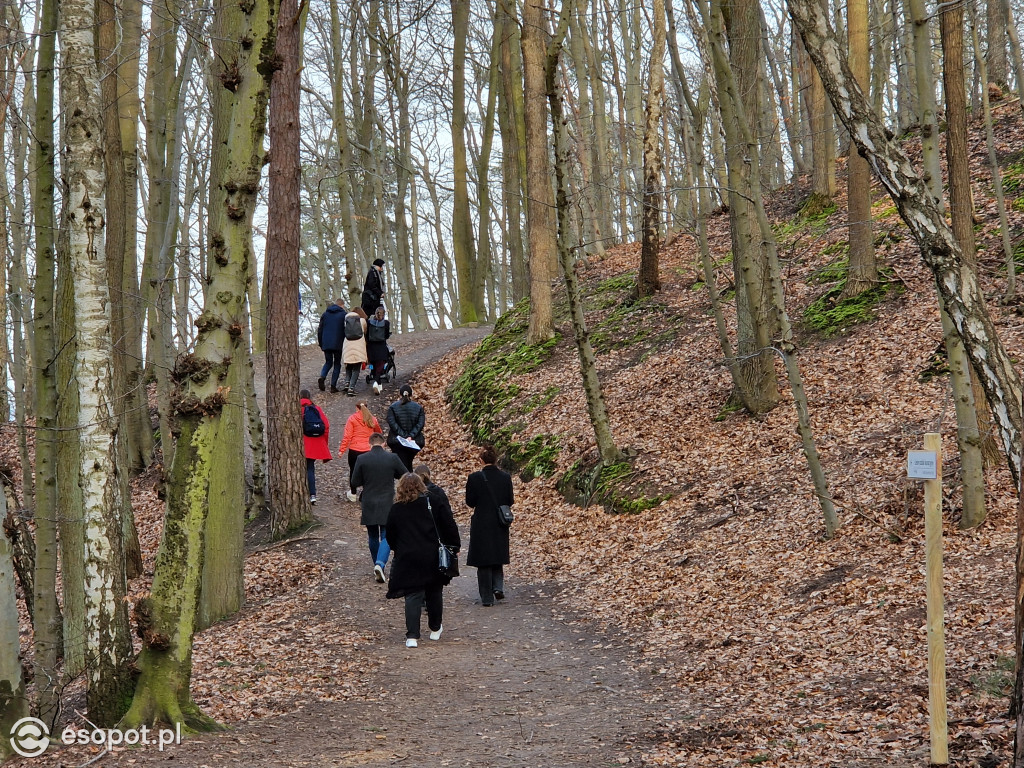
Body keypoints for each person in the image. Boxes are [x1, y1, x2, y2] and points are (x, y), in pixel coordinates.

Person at [386, 472, 460, 648]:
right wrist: (454, 546)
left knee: (412, 594)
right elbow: (448, 524)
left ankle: (412, 635)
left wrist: (399, 548)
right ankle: (435, 628)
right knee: (434, 591)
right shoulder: (432, 502)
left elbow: (390, 535)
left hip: (408, 556)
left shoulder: (396, 509)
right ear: (421, 486)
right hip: (432, 554)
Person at [351, 433, 408, 582]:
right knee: (387, 535)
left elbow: (354, 481)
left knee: (372, 536)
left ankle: (378, 565)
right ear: (384, 444)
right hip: (387, 501)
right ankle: (380, 564)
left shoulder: (362, 459)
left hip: (369, 500)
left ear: (369, 444)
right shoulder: (392, 458)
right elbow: (405, 475)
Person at [465, 445, 514, 607]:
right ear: (496, 459)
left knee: (483, 560)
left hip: (481, 522)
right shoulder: (505, 478)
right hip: (500, 521)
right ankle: (498, 587)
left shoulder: (474, 478)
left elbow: (470, 502)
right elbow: (509, 500)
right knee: (497, 555)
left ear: (481, 460)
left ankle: (486, 597)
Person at [337, 401, 383, 502]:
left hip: (354, 450)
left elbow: (347, 436)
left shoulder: (352, 419)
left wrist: (342, 450)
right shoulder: (372, 419)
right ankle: (365, 492)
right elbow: (378, 432)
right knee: (368, 472)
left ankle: (353, 493)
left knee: (353, 471)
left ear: (357, 408)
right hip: (368, 450)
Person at [300, 389, 330, 504]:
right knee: (310, 469)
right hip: (313, 445)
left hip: (300, 444)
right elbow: (326, 426)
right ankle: (312, 495)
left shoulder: (295, 408)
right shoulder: (316, 409)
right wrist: (324, 444)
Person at [386, 384, 425, 472]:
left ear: (400, 394)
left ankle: (404, 478)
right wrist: (410, 436)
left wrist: (403, 435)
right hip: (414, 441)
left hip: (397, 441)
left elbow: (392, 424)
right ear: (411, 394)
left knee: (402, 463)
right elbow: (420, 424)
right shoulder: (418, 408)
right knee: (408, 462)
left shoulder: (393, 407)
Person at [317, 299, 347, 393]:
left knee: (328, 362)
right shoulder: (343, 315)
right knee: (337, 364)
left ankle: (322, 377)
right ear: (342, 305)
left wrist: (321, 343)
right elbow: (346, 330)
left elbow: (320, 330)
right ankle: (333, 386)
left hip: (326, 342)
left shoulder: (325, 314)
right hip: (338, 343)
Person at [341, 307, 368, 396]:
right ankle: (351, 388)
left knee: (348, 366)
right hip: (358, 346)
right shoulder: (362, 321)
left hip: (347, 345)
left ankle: (347, 383)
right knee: (356, 368)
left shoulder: (346, 321)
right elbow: (365, 331)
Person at [366, 306, 391, 396]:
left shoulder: (369, 323)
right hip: (381, 346)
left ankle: (379, 384)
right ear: (384, 314)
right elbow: (387, 335)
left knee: (374, 364)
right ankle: (376, 382)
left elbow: (367, 335)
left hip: (371, 347)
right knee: (380, 365)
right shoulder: (386, 323)